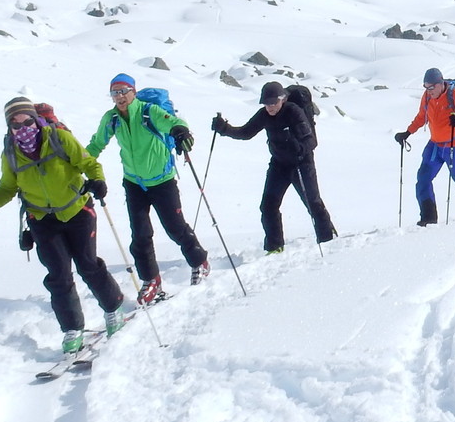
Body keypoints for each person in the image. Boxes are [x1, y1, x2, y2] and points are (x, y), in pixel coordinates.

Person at [0, 96, 126, 355]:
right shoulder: (10, 152)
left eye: (26, 120)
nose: (22, 128)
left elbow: (88, 163)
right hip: (42, 219)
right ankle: (72, 328)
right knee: (58, 276)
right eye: (15, 124)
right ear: (9, 127)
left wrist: (97, 181)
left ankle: (113, 309)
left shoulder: (58, 138)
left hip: (78, 210)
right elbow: (9, 187)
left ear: (35, 119)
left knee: (88, 265)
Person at [85, 73, 209, 304]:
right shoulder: (111, 118)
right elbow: (96, 144)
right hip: (134, 183)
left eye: (124, 91)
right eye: (115, 92)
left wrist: (181, 132)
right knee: (140, 234)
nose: (120, 96)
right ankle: (151, 280)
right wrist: (77, 164)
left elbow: (173, 122)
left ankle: (199, 261)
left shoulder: (148, 111)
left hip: (162, 181)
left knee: (175, 228)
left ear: (133, 91)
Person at [211, 81, 337, 253]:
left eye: (273, 103)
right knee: (268, 206)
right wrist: (224, 128)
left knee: (313, 203)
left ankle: (327, 239)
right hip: (279, 165)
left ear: (282, 99)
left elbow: (311, 141)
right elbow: (246, 133)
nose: (269, 107)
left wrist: (300, 149)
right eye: (266, 103)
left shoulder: (293, 112)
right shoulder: (264, 115)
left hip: (302, 163)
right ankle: (275, 247)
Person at [394, 67, 455, 225]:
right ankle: (428, 218)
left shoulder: (454, 95)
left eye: (431, 87)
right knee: (423, 179)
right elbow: (422, 117)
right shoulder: (427, 97)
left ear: (440, 84)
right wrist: (407, 133)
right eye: (425, 87)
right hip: (435, 144)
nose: (429, 91)